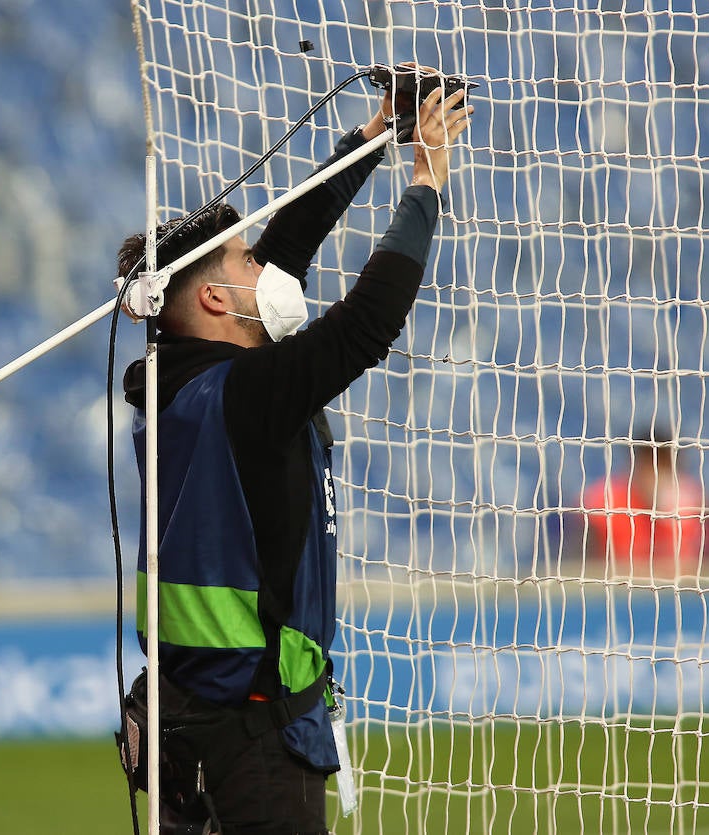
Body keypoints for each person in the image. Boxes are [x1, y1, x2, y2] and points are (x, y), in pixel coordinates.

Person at [117, 84, 472, 834]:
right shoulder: (244, 393)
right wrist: (426, 180)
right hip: (253, 733)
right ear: (213, 301)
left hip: (191, 713)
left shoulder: (183, 384)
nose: (266, 271)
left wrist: (377, 133)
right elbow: (366, 325)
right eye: (245, 263)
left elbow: (287, 243)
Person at [581, 423, 709, 577]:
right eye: (649, 464)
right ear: (634, 464)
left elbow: (696, 563)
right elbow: (587, 563)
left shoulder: (690, 502)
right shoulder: (607, 501)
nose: (655, 473)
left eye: (662, 465)